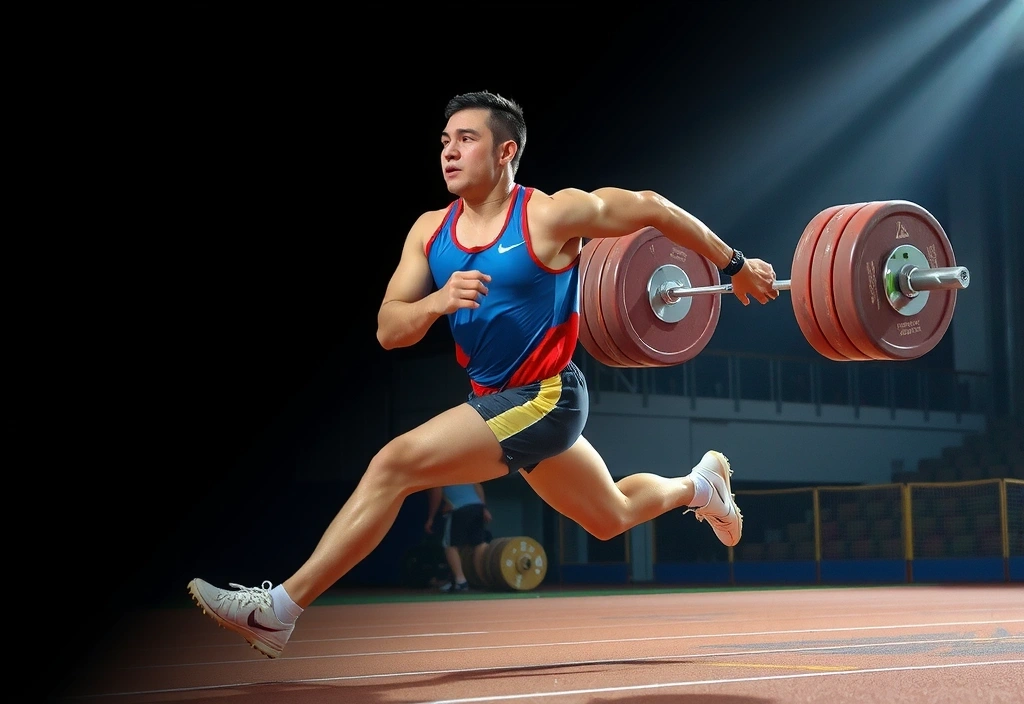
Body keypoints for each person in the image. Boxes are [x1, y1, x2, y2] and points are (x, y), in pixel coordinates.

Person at [187, 90, 780, 659]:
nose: (448, 150)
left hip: (547, 397)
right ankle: (700, 486)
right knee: (611, 517)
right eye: (445, 139)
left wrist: (733, 264)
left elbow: (650, 206)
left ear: (505, 152)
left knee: (394, 464)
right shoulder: (429, 231)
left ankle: (277, 612)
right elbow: (390, 329)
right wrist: (437, 302)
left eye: (466, 139)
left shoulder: (550, 215)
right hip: (498, 402)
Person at [425, 483, 492, 592]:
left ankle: (460, 582)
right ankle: (482, 580)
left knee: (449, 546)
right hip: (477, 506)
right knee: (479, 543)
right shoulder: (463, 469)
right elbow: (477, 485)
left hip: (457, 508)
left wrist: (431, 518)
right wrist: (483, 508)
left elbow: (436, 493)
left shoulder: (437, 473)